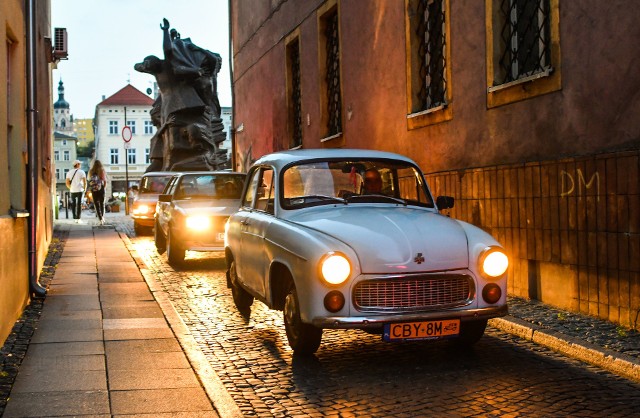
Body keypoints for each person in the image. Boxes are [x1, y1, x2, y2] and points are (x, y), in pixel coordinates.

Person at [88, 160, 107, 225]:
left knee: (96, 204)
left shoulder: (91, 171)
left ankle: (100, 219)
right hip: (100, 188)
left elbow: (89, 180)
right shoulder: (101, 170)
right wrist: (103, 187)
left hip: (94, 189)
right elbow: (104, 180)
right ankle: (102, 217)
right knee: (102, 203)